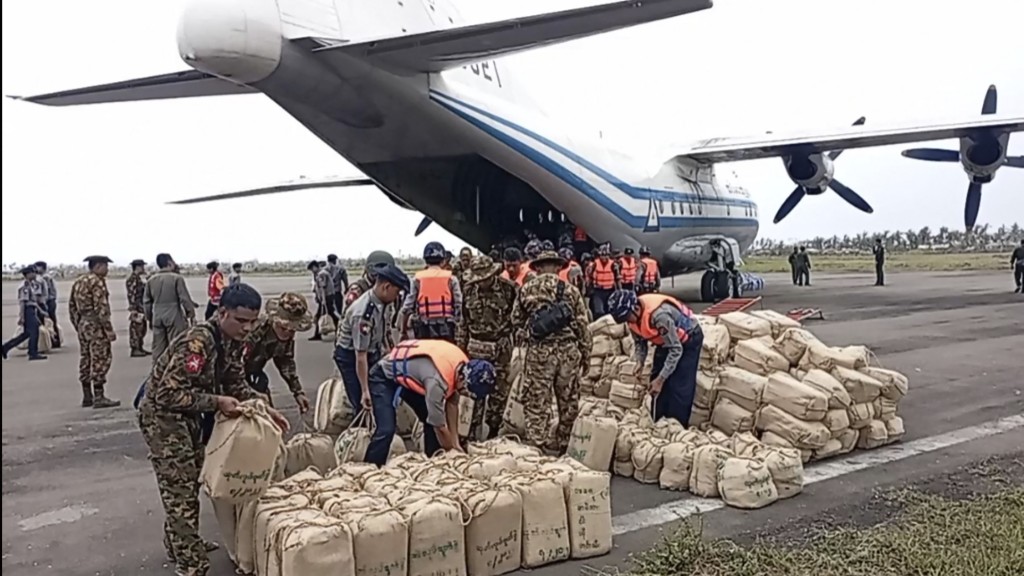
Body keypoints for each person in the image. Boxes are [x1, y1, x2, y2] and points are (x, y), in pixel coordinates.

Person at [137, 283, 289, 576]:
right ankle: (191, 564)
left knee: (188, 483)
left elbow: (235, 382)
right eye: (241, 321)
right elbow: (166, 395)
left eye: (252, 322)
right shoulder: (198, 343)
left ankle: (180, 542)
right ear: (222, 314)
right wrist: (217, 401)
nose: (247, 328)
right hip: (164, 420)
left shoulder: (232, 341)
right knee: (179, 490)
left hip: (191, 416)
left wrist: (263, 407)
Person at [363, 338, 495, 466]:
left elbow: (453, 403)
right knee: (387, 429)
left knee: (429, 421)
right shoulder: (437, 384)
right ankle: (371, 468)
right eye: (467, 392)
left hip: (412, 376)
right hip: (384, 376)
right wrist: (453, 454)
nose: (466, 395)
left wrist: (456, 444)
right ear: (461, 378)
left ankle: (433, 461)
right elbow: (439, 427)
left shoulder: (462, 365)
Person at [511, 251, 591, 453]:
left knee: (537, 401)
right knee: (568, 401)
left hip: (539, 353)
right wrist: (586, 355)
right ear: (558, 268)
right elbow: (582, 326)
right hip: (568, 352)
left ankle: (537, 448)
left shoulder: (526, 289)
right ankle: (565, 445)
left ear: (537, 268)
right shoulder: (570, 291)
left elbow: (516, 320)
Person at [607, 290, 704, 426]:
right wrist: (639, 362)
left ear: (635, 308)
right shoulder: (631, 319)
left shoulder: (659, 316)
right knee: (656, 383)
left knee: (678, 387)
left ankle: (676, 428)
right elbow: (640, 342)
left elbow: (676, 350)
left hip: (688, 341)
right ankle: (658, 423)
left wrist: (661, 379)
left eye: (628, 318)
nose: (628, 322)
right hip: (666, 342)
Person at [334, 264, 409, 413]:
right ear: (386, 287)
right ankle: (361, 430)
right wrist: (365, 390)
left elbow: (384, 333)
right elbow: (360, 356)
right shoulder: (363, 313)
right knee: (362, 401)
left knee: (379, 391)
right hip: (351, 356)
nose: (397, 297)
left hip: (371, 350)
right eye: (397, 292)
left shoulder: (384, 302)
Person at [456, 254, 517, 438]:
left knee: (498, 393)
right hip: (476, 347)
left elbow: (518, 317)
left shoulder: (509, 290)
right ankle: (471, 433)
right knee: (474, 392)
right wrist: (460, 349)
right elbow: (463, 322)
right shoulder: (468, 290)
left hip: (500, 347)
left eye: (485, 279)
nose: (481, 283)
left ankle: (493, 432)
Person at [243, 292, 314, 413]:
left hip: (253, 372)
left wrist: (297, 392)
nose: (288, 334)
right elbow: (233, 366)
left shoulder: (287, 336)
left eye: (293, 331)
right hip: (229, 375)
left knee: (267, 413)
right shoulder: (254, 332)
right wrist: (250, 394)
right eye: (283, 328)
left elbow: (285, 361)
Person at [69, 256, 121, 409]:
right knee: (100, 358)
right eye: (105, 266)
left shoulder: (79, 281)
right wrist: (108, 329)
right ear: (98, 266)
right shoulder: (97, 282)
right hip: (96, 325)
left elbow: (72, 306)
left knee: (86, 357)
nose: (107, 269)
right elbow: (101, 308)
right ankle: (99, 396)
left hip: (83, 324)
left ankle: (87, 395)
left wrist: (78, 324)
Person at [401, 241, 462, 341]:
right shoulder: (451, 278)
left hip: (424, 328)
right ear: (443, 261)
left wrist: (403, 331)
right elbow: (459, 304)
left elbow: (407, 308)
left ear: (425, 261)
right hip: (447, 327)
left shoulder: (417, 279)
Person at [145, 253, 199, 364]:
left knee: (158, 347)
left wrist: (149, 318)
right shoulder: (176, 278)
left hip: (157, 316)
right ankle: (174, 370)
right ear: (169, 262)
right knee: (176, 345)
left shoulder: (150, 280)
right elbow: (184, 298)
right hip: (174, 315)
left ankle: (157, 371)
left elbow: (146, 302)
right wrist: (191, 314)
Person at [2, 265, 49, 361]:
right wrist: (22, 316)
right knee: (34, 332)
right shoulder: (25, 287)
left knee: (27, 334)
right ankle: (33, 353)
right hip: (28, 311)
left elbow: (33, 302)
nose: (35, 274)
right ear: (27, 274)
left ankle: (5, 347)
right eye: (33, 272)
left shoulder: (30, 285)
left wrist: (41, 311)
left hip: (31, 310)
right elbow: (23, 303)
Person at [307, 260, 339, 341]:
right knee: (329, 314)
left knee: (330, 315)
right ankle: (319, 334)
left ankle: (339, 332)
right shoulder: (323, 273)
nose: (312, 271)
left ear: (315, 267)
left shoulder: (321, 274)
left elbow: (322, 288)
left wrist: (323, 300)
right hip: (328, 297)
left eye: (312, 269)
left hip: (327, 297)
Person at [34, 261, 63, 347]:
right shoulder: (45, 277)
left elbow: (45, 292)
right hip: (50, 301)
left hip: (48, 302)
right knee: (51, 321)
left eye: (37, 267)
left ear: (42, 268)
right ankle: (52, 340)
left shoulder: (45, 278)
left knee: (49, 321)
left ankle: (54, 340)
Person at [127, 259, 151, 357]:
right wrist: (133, 308)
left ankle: (140, 347)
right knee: (136, 329)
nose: (143, 268)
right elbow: (132, 294)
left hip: (141, 307)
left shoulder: (138, 278)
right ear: (137, 267)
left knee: (142, 328)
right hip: (137, 308)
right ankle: (135, 349)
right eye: (142, 266)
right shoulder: (133, 279)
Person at [588, 244, 619, 317]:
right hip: (598, 291)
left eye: (606, 255)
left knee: (609, 311)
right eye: (602, 255)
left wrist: (618, 290)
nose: (604, 257)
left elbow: (617, 278)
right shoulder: (594, 264)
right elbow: (590, 277)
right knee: (599, 311)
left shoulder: (613, 265)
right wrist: (589, 289)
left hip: (610, 291)